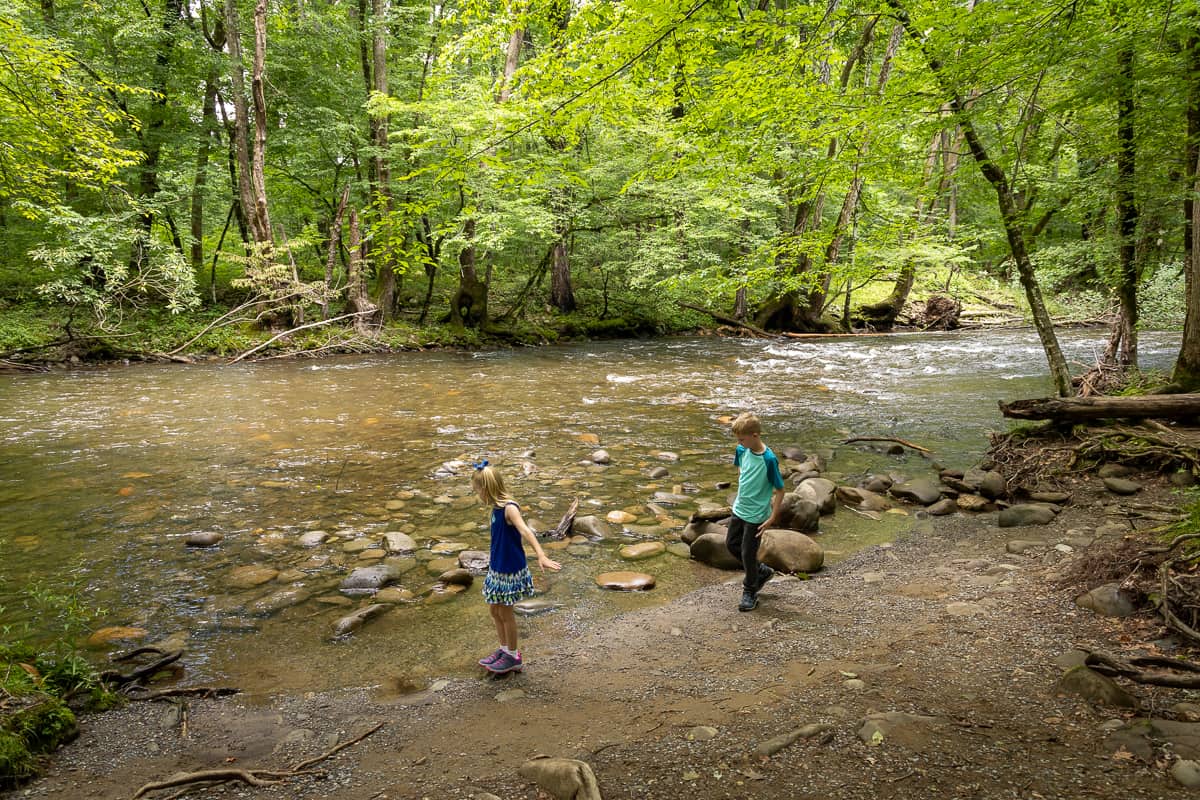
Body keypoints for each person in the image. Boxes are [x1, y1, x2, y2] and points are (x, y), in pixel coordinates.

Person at [471, 460, 562, 674]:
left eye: (477, 490)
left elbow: (526, 531)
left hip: (510, 570)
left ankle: (513, 656)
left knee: (505, 611)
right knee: (494, 609)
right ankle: (503, 650)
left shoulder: (509, 508)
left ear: (486, 489)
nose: (477, 495)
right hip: (497, 567)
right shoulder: (494, 508)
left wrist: (541, 555)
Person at [726, 412, 785, 612]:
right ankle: (761, 571)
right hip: (740, 509)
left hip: (757, 515)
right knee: (731, 545)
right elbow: (741, 471)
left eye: (742, 439)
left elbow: (780, 489)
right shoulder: (742, 450)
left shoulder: (769, 460)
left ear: (755, 435)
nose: (739, 442)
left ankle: (750, 591)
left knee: (747, 553)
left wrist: (772, 516)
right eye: (738, 439)